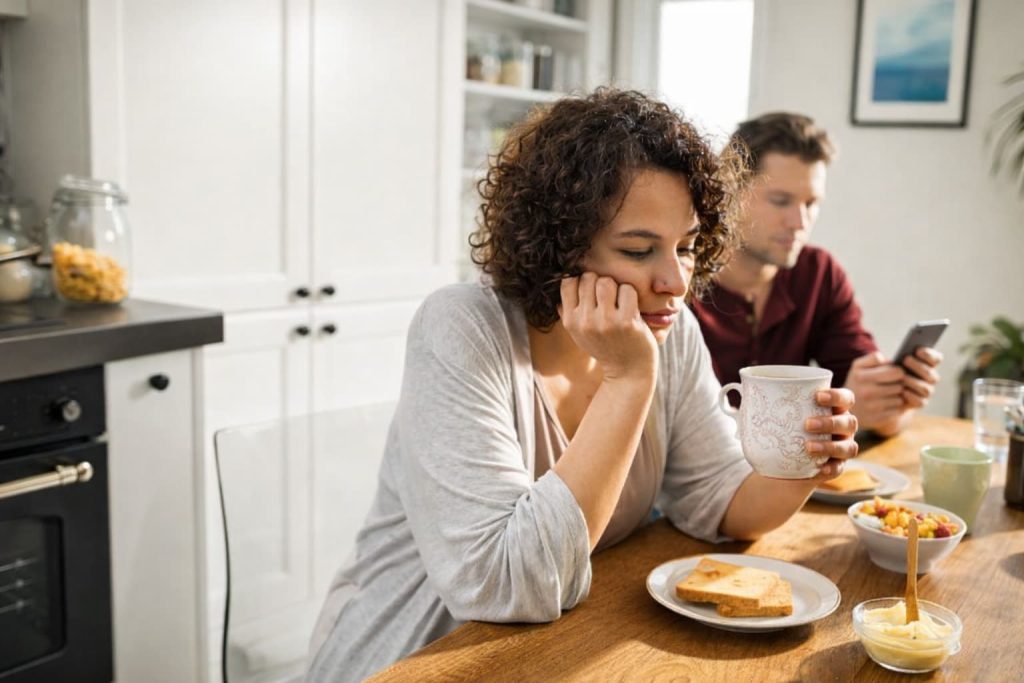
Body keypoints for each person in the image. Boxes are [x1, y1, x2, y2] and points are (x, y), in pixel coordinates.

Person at [305, 90, 858, 682]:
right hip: (419, 655)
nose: (674, 280)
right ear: (559, 245)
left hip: (560, 651)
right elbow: (505, 587)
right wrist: (627, 379)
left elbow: (718, 500)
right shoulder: (462, 329)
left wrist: (804, 459)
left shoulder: (668, 330)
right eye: (639, 250)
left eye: (688, 246)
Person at [689, 113, 943, 437]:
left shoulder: (819, 274)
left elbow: (874, 410)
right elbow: (686, 435)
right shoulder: (677, 277)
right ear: (730, 190)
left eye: (812, 203)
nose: (800, 221)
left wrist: (894, 401)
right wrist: (835, 414)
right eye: (781, 201)